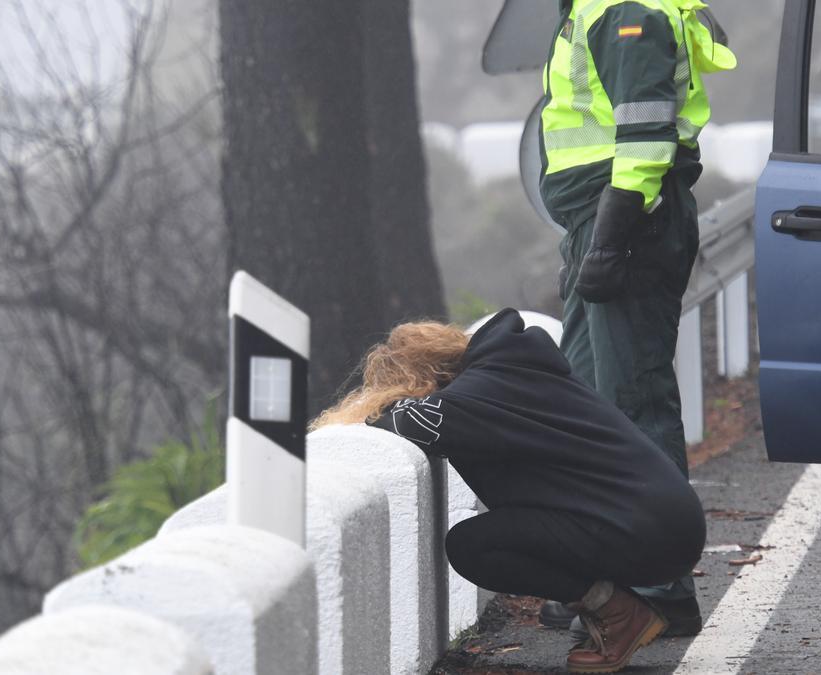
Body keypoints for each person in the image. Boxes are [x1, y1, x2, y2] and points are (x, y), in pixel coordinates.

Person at [312, 309, 705, 673]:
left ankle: (620, 613)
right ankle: (616, 609)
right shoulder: (514, 369)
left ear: (420, 381)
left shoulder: (478, 394)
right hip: (666, 519)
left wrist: (374, 406)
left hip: (650, 533)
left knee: (471, 545)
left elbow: (396, 420)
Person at [538, 0, 736, 634]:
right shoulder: (598, 10)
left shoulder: (627, 13)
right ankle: (606, 577)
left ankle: (659, 587)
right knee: (591, 401)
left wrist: (611, 238)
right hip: (602, 219)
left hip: (628, 218)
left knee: (632, 402)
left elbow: (647, 136)